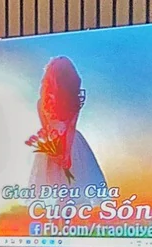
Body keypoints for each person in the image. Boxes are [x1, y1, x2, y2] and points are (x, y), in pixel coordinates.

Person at [26, 57, 106, 197]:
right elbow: (66, 128)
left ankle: (61, 209)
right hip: (67, 144)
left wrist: (63, 153)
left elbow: (55, 129)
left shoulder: (45, 102)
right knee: (70, 185)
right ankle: (66, 209)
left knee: (59, 185)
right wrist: (65, 154)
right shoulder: (70, 101)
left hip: (60, 143)